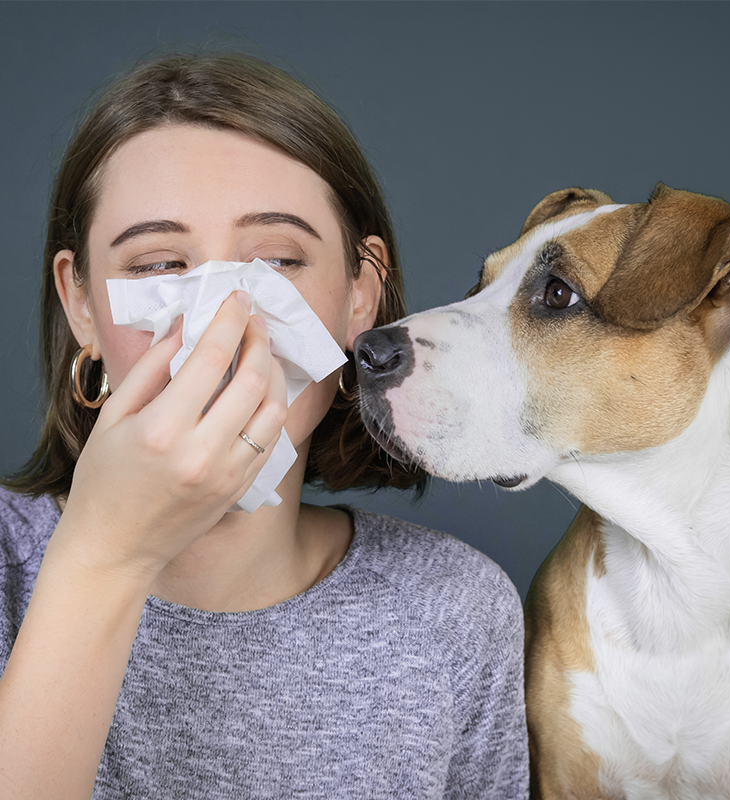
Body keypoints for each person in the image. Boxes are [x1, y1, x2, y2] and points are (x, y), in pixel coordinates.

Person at [0, 52, 528, 799]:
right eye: (158, 266)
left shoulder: (454, 610)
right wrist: (104, 555)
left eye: (278, 259)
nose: (225, 317)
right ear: (82, 304)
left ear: (360, 294)